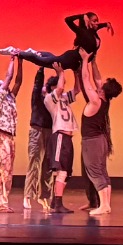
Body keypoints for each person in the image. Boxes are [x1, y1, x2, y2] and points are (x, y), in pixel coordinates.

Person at [78, 47, 123, 217]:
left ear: (103, 90)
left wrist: (84, 60)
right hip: (100, 140)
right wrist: (94, 62)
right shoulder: (105, 99)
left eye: (102, 85)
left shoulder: (96, 100)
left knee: (95, 171)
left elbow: (86, 79)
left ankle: (103, 205)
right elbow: (96, 78)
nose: (100, 84)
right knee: (102, 171)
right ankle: (106, 204)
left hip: (93, 142)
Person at [0, 53, 24, 211]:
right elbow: (9, 77)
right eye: (3, 85)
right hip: (1, 137)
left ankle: (2, 203)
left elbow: (18, 81)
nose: (7, 86)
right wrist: (12, 59)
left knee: (8, 171)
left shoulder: (10, 98)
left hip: (9, 138)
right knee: (1, 170)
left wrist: (21, 61)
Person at [42, 62, 80, 212]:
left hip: (67, 138)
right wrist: (61, 72)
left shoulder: (63, 98)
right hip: (59, 136)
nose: (62, 85)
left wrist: (76, 73)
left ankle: (55, 201)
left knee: (66, 172)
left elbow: (77, 90)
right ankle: (57, 203)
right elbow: (60, 88)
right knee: (61, 170)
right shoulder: (49, 99)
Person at [23, 64, 55, 212]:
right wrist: (41, 68)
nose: (43, 89)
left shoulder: (51, 100)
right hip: (37, 131)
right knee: (34, 163)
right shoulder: (36, 98)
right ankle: (28, 195)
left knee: (48, 165)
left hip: (50, 131)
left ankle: (45, 196)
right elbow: (37, 85)